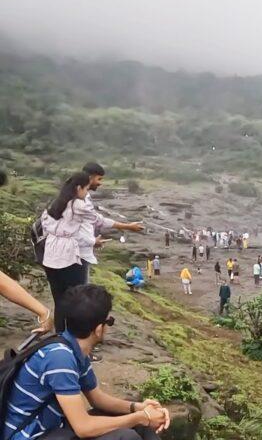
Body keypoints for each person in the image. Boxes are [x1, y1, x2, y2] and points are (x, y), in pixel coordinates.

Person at [1, 284, 170, 440]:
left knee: (138, 423)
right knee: (126, 436)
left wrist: (138, 408)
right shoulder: (60, 358)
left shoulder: (73, 348)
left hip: (53, 428)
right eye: (109, 321)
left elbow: (97, 399)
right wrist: (143, 417)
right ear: (98, 329)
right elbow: (83, 427)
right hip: (31, 435)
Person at [41, 172, 143, 333]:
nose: (87, 193)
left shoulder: (55, 204)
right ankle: (79, 339)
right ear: (79, 188)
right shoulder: (78, 205)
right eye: (86, 189)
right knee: (79, 300)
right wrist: (127, 226)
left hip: (50, 256)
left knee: (60, 301)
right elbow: (98, 220)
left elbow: (46, 226)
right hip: (69, 257)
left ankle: (60, 336)